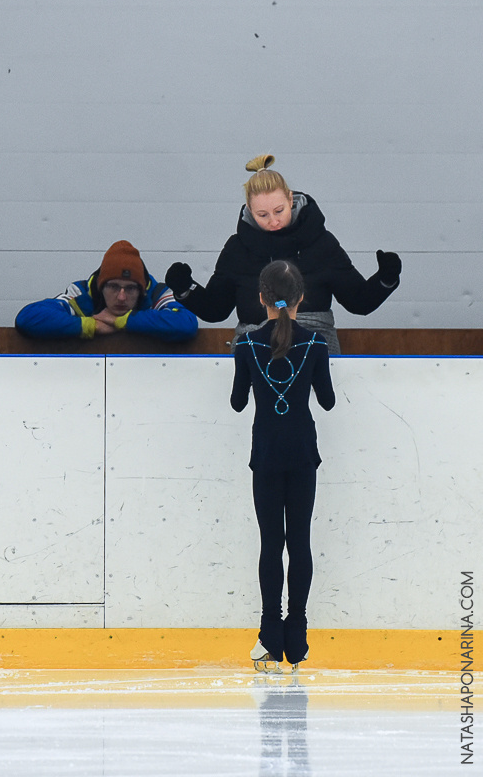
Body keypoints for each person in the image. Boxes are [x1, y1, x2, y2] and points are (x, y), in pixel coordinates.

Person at [165, 154, 402, 354]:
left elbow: (358, 301)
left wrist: (385, 279)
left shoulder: (321, 243)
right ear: (250, 210)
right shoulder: (238, 248)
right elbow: (216, 309)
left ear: (290, 199)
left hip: (313, 339)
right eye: (263, 215)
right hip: (254, 341)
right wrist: (186, 289)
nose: (273, 221)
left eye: (279, 210)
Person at [230, 260, 335, 670]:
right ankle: (298, 634)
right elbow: (327, 401)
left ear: (261, 298)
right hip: (302, 453)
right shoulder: (315, 344)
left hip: (267, 454)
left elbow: (238, 402)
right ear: (301, 298)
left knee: (271, 544)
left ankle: (270, 632)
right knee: (300, 541)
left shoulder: (247, 344)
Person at [15, 239, 197, 342]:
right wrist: (90, 325)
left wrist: (122, 321)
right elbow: (28, 318)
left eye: (130, 288)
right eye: (113, 287)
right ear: (101, 287)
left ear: (142, 290)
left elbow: (186, 323)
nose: (121, 297)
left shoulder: (157, 293)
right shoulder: (82, 293)